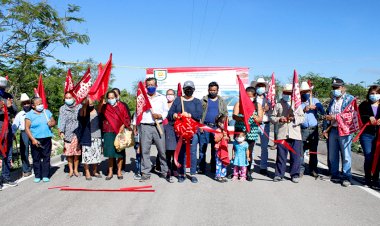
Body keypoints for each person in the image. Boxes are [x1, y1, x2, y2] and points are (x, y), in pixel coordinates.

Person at [168, 80, 203, 183]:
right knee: (181, 153)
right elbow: (170, 114)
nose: (188, 91)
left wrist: (189, 115)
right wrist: (174, 115)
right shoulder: (178, 100)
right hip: (181, 132)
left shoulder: (197, 101)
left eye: (190, 89)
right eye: (186, 89)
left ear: (194, 90)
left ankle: (192, 174)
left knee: (192, 152)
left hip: (193, 132)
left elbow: (199, 115)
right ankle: (182, 173)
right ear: (183, 90)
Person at [323, 78, 355, 187]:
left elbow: (351, 115)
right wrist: (326, 126)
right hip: (333, 130)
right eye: (333, 88)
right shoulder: (332, 100)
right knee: (333, 155)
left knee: (346, 155)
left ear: (342, 87)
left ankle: (346, 176)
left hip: (345, 131)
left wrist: (334, 116)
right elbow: (329, 114)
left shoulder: (350, 99)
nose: (335, 89)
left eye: (337, 87)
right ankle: (335, 174)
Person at [271, 84, 305, 183]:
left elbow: (302, 118)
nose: (287, 94)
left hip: (295, 134)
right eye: (286, 93)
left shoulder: (297, 105)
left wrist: (294, 118)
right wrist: (279, 119)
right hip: (282, 134)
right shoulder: (278, 104)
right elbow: (272, 117)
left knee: (295, 156)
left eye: (289, 93)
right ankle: (279, 174)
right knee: (281, 156)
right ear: (283, 93)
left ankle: (294, 174)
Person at [139, 77, 171, 183]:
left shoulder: (161, 98)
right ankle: (145, 172)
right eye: (148, 85)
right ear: (146, 86)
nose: (150, 87)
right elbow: (137, 112)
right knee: (145, 151)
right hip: (145, 126)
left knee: (162, 150)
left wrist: (160, 115)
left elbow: (166, 112)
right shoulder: (142, 98)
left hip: (158, 126)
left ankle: (164, 171)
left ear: (156, 86)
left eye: (152, 85)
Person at [233, 86, 262, 181]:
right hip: (240, 131)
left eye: (250, 97)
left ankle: (247, 172)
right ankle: (235, 172)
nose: (248, 98)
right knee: (237, 151)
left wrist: (254, 116)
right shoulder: (239, 104)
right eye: (246, 96)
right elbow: (234, 116)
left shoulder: (257, 105)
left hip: (251, 132)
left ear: (254, 96)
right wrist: (241, 117)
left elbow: (260, 119)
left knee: (248, 153)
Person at [100, 90, 131, 180]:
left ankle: (119, 171)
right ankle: (110, 172)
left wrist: (123, 125)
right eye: (109, 98)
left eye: (112, 98)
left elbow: (126, 118)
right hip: (108, 131)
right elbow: (99, 112)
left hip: (119, 131)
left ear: (116, 97)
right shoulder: (105, 107)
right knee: (110, 153)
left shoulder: (121, 106)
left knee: (119, 153)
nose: (111, 99)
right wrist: (101, 102)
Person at [198, 81, 228, 175]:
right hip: (205, 126)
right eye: (211, 90)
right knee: (203, 148)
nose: (213, 92)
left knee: (215, 149)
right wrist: (201, 126)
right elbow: (199, 114)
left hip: (216, 128)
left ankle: (214, 167)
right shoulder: (203, 100)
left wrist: (221, 122)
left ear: (217, 90)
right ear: (208, 90)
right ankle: (202, 168)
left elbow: (225, 114)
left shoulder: (222, 101)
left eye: (214, 90)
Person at [25, 97, 56, 183]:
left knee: (46, 157)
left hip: (46, 138)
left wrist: (51, 123)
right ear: (33, 106)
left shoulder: (46, 112)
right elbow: (27, 128)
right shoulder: (29, 115)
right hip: (36, 139)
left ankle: (46, 175)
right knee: (36, 158)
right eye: (38, 104)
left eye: (41, 103)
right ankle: (38, 175)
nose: (41, 105)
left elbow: (54, 121)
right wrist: (33, 139)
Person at [299, 81, 325, 177]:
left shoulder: (314, 100)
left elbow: (322, 111)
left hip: (313, 129)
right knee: (301, 150)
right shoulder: (298, 102)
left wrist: (317, 106)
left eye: (307, 91)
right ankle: (301, 169)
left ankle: (313, 169)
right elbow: (296, 112)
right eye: (303, 92)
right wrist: (304, 108)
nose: (305, 93)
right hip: (303, 129)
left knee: (313, 150)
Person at [359, 85, 380, 188]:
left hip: (379, 135)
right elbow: (360, 116)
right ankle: (367, 178)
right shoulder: (364, 104)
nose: (374, 95)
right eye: (372, 93)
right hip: (366, 134)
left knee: (378, 157)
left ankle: (375, 179)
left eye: (376, 93)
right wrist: (368, 117)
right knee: (368, 156)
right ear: (369, 94)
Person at [0, 76, 18, 190]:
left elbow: (15, 110)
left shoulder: (8, 96)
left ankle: (6, 176)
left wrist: (10, 107)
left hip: (7, 130)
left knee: (8, 155)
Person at [58, 92, 82, 178]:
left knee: (76, 153)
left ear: (74, 98)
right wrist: (61, 131)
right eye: (67, 98)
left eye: (70, 97)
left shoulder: (79, 106)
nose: (68, 99)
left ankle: (76, 169)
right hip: (68, 133)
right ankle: (71, 170)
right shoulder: (62, 108)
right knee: (69, 153)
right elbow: (62, 120)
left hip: (77, 132)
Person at [78, 98, 102, 180]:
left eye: (92, 104)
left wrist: (101, 99)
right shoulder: (83, 111)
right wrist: (85, 106)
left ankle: (94, 171)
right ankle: (87, 172)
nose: (91, 105)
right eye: (89, 104)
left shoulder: (96, 110)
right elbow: (80, 117)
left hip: (97, 136)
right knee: (86, 156)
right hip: (86, 136)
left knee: (96, 155)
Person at [252, 78, 272, 176]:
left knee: (264, 147)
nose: (260, 88)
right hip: (255, 124)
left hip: (265, 124)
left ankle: (263, 167)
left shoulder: (269, 99)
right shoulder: (252, 98)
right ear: (255, 87)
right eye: (259, 86)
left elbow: (273, 113)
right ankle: (250, 166)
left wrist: (269, 108)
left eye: (262, 86)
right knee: (252, 145)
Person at [12, 93, 33, 177]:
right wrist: (12, 134)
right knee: (24, 151)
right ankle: (26, 169)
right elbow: (15, 126)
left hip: (33, 132)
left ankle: (37, 166)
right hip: (24, 133)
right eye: (24, 103)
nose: (26, 105)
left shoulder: (34, 112)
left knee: (36, 150)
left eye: (28, 103)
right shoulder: (20, 114)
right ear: (22, 105)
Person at [111, 88, 131, 172]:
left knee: (121, 149)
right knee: (112, 149)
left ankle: (121, 167)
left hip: (121, 130)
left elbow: (128, 117)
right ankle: (112, 168)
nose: (114, 96)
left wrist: (124, 126)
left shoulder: (123, 105)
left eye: (116, 94)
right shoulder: (108, 106)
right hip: (111, 131)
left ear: (118, 95)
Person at [163, 89, 178, 180]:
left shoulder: (177, 105)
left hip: (175, 128)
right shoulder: (163, 104)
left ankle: (175, 168)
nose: (169, 96)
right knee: (166, 150)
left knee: (175, 150)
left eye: (171, 94)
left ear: (174, 95)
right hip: (164, 128)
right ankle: (167, 168)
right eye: (168, 94)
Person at [213, 115, 230, 182]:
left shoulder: (226, 131)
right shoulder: (217, 130)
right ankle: (218, 175)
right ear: (219, 123)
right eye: (224, 123)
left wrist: (227, 137)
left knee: (224, 162)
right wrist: (222, 135)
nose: (225, 125)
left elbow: (228, 139)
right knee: (218, 163)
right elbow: (216, 140)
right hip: (218, 149)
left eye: (227, 124)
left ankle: (223, 175)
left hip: (224, 149)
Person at [131, 113, 142, 180]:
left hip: (145, 137)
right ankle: (139, 171)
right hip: (138, 138)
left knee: (143, 155)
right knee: (138, 156)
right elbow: (134, 125)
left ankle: (143, 171)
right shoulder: (136, 114)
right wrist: (135, 131)